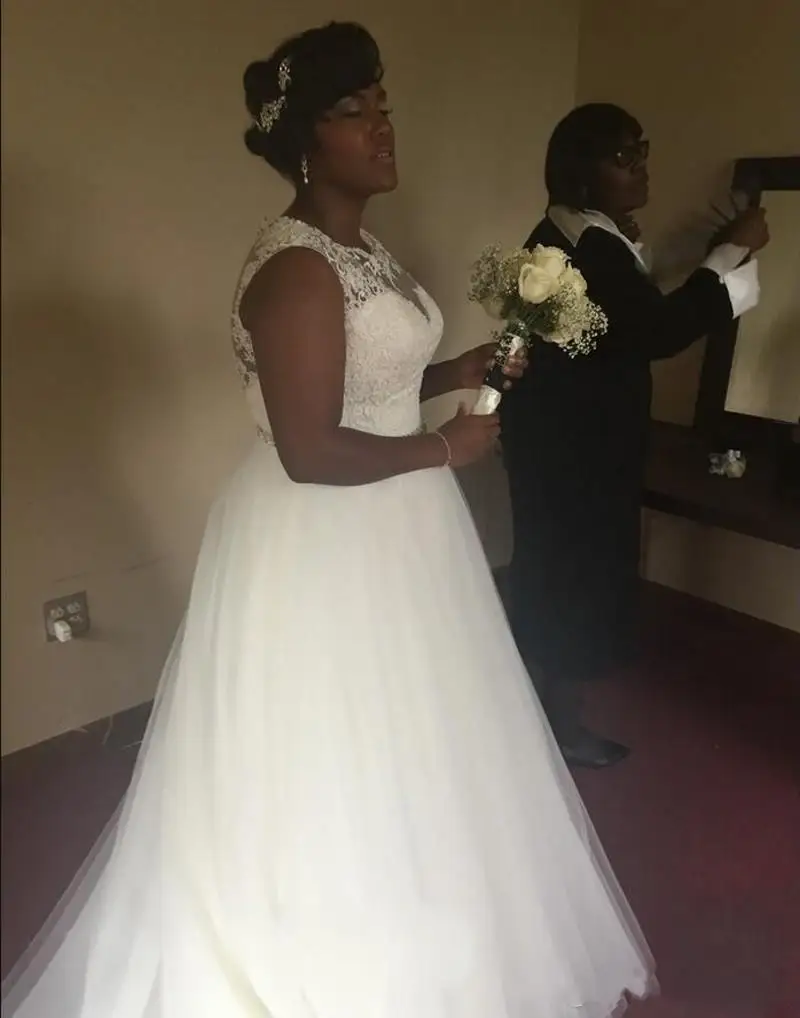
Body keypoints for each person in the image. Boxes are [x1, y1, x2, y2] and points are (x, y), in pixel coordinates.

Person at [2, 32, 655, 1017]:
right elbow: (309, 447)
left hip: (394, 518)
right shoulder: (297, 269)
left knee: (420, 733)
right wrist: (445, 450)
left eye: (382, 102)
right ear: (307, 145)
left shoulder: (359, 250)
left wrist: (456, 371)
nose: (381, 125)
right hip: (324, 529)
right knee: (337, 741)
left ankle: (423, 905)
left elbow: (366, 382)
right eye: (355, 111)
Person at [500, 103, 768, 769]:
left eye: (641, 150)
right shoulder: (588, 244)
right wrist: (735, 251)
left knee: (555, 569)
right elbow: (656, 332)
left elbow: (623, 314)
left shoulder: (567, 233)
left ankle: (540, 714)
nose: (642, 166)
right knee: (577, 574)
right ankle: (559, 727)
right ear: (583, 173)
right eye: (624, 157)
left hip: (556, 435)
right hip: (577, 445)